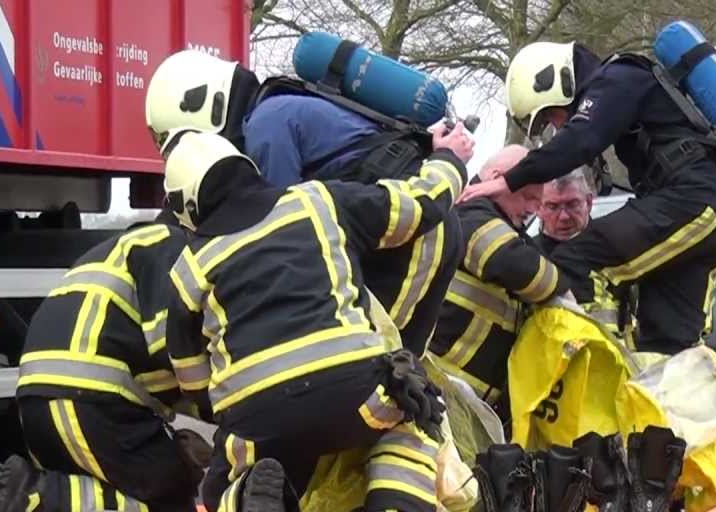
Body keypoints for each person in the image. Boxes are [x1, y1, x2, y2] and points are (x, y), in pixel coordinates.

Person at [163, 130, 468, 512]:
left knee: (241, 475)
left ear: (186, 207)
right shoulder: (318, 201)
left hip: (258, 420)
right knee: (414, 409)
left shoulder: (188, 266)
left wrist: (230, 419)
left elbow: (190, 373)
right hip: (353, 396)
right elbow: (419, 205)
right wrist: (449, 161)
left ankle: (248, 502)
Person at [143, 49, 473, 355]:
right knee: (391, 364)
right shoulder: (279, 107)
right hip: (415, 222)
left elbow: (278, 230)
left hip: (410, 234)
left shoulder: (265, 127)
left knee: (376, 357)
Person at [0, 221, 217, 512]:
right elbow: (170, 350)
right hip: (89, 402)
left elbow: (152, 365)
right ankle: (35, 499)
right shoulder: (174, 250)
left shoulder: (123, 248)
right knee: (174, 506)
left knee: (113, 488)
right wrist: (226, 410)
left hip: (38, 401)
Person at [461, 41, 716, 359]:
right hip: (690, 214)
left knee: (576, 258)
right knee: (666, 344)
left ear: (558, 82)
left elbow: (580, 140)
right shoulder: (621, 89)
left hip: (688, 208)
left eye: (551, 115)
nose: (558, 126)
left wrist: (509, 180)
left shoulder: (619, 78)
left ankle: (575, 365)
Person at [428, 146, 563, 419]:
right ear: (497, 178)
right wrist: (564, 290)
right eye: (528, 197)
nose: (534, 210)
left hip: (454, 396)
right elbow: (524, 269)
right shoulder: (470, 211)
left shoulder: (494, 220)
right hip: (436, 385)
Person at [531, 168, 630, 338]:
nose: (563, 216)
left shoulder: (617, 245)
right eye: (552, 206)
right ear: (537, 208)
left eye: (572, 204)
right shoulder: (527, 255)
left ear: (589, 202)